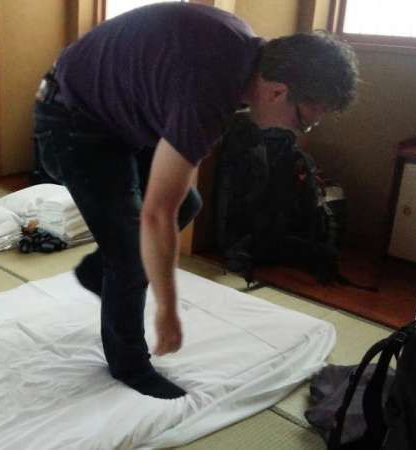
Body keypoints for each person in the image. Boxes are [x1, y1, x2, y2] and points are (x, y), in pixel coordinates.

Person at [34, 3, 358, 399]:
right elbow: (156, 215)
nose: (300, 132)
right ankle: (130, 365)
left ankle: (98, 273)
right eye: (303, 120)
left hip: (122, 118)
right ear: (278, 91)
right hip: (72, 121)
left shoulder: (248, 56)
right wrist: (167, 312)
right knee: (132, 243)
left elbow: (169, 204)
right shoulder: (210, 90)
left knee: (187, 204)